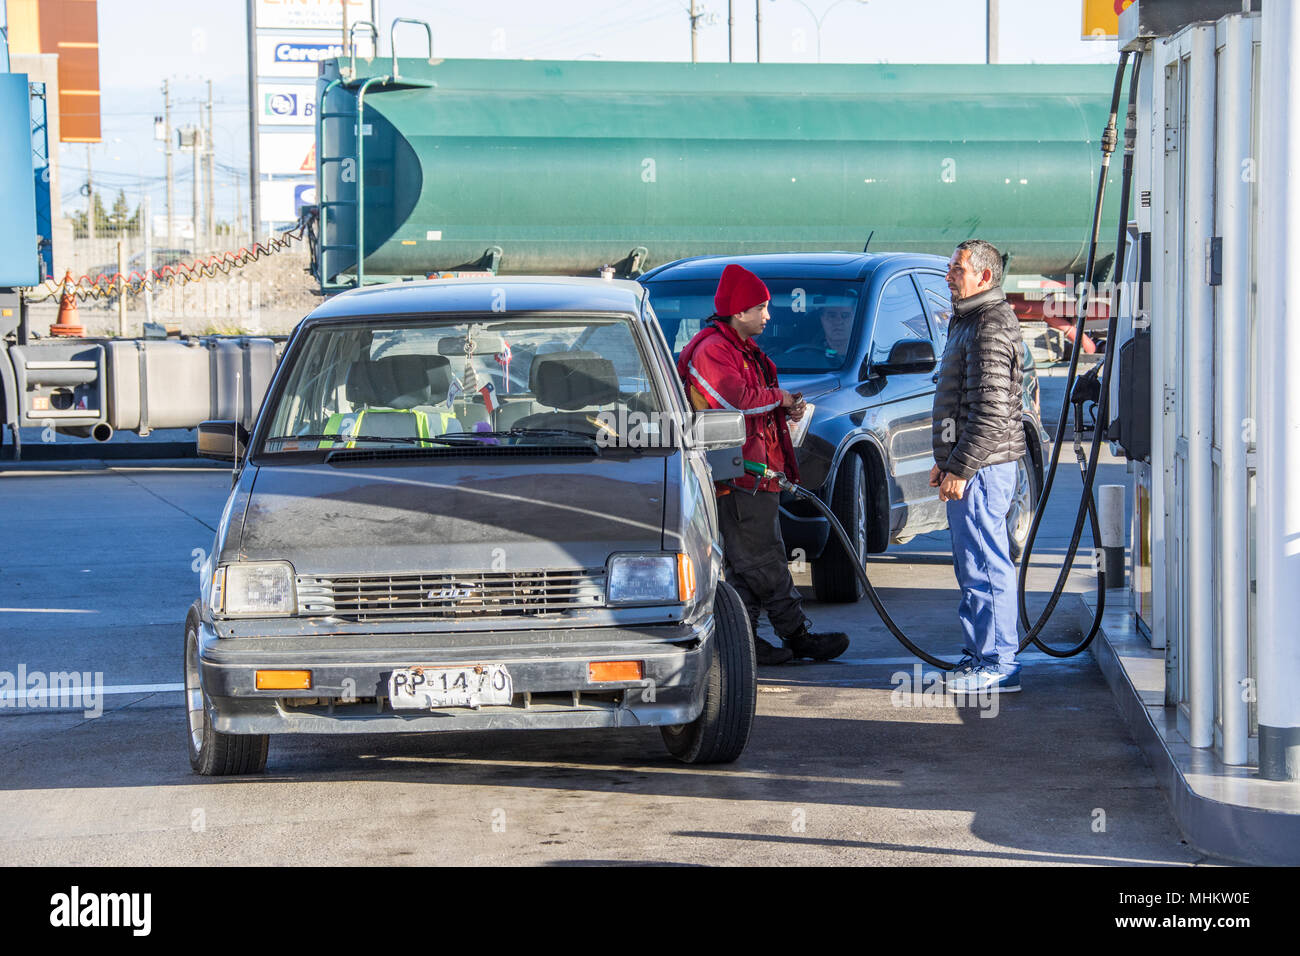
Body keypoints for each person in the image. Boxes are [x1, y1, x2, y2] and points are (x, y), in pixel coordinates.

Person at [677, 264, 850, 666]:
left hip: (754, 474)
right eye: (761, 308)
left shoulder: (736, 348)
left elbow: (751, 402)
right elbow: (734, 398)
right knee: (764, 560)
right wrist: (781, 398)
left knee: (746, 565)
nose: (768, 316)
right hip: (738, 477)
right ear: (739, 312)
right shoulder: (714, 350)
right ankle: (797, 635)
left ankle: (746, 643)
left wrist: (781, 409)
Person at [930, 239, 1027, 693]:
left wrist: (962, 468)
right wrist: (945, 462)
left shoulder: (988, 326)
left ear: (984, 277)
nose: (949, 275)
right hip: (974, 465)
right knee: (973, 564)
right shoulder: (968, 320)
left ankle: (998, 662)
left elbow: (989, 412)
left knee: (986, 563)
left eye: (957, 268)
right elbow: (959, 403)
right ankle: (980, 655)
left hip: (985, 468)